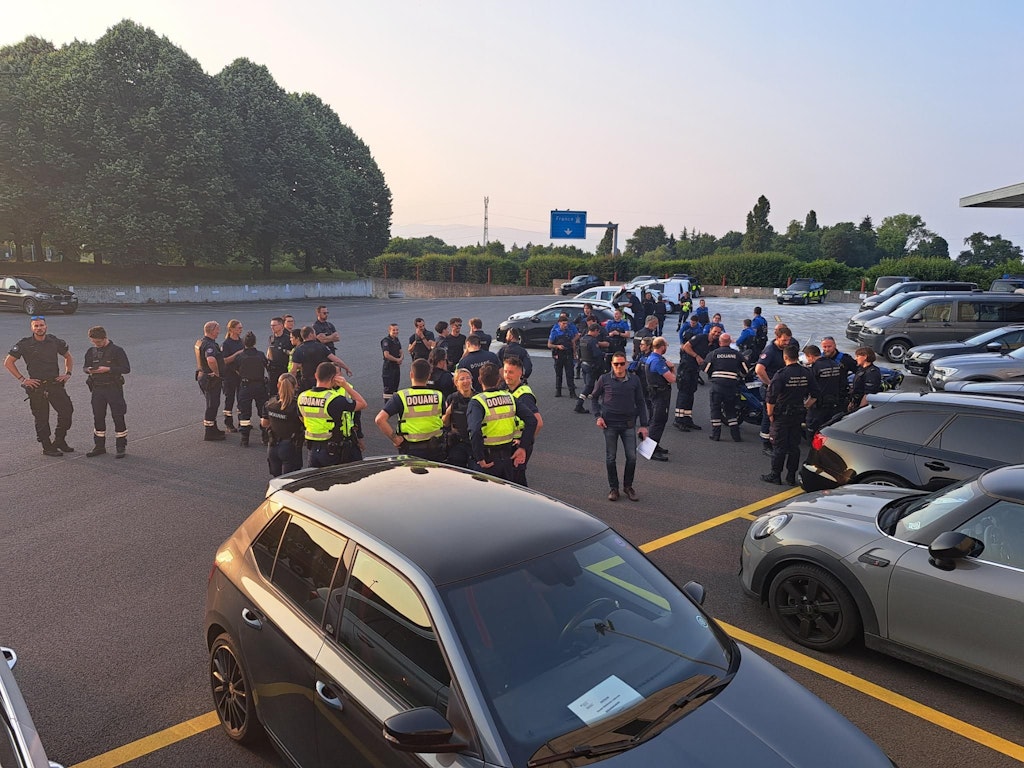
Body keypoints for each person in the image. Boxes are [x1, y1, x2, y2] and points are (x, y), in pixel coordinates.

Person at [5, 315, 74, 456]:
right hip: (37, 387)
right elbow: (8, 362)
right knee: (42, 418)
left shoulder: (54, 341)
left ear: (46, 326)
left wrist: (68, 373)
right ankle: (47, 446)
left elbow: (68, 356)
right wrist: (23, 379)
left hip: (54, 384)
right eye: (36, 326)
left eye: (41, 325)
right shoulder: (24, 344)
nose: (39, 328)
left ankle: (59, 440)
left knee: (67, 412)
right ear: (32, 328)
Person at [592, 351, 649, 502]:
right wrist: (598, 417)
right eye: (616, 364)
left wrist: (644, 425)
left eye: (622, 364)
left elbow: (641, 402)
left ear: (627, 364)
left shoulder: (634, 380)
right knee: (611, 458)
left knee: (632, 457)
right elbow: (594, 398)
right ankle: (614, 488)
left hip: (628, 424)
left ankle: (628, 486)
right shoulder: (604, 379)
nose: (619, 367)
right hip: (609, 425)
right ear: (611, 364)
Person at [467, 361, 536, 480]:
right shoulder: (509, 397)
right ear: (499, 379)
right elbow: (532, 420)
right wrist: (523, 447)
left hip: (488, 459)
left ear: (479, 379)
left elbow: (475, 430)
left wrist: (479, 458)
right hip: (507, 457)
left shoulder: (477, 401)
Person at [298, 361, 367, 468]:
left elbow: (301, 418)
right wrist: (345, 386)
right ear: (333, 378)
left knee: (316, 478)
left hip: (312, 449)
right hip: (332, 450)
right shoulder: (334, 399)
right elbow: (362, 404)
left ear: (316, 375)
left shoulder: (302, 396)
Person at [376, 358, 445, 461]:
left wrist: (395, 439)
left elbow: (380, 419)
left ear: (411, 374)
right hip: (436, 449)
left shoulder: (401, 396)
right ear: (429, 376)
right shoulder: (438, 395)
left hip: (411, 450)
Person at [762, 344, 808, 485]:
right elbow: (815, 394)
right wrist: (804, 406)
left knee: (779, 447)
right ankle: (791, 476)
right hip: (798, 414)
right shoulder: (806, 373)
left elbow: (771, 397)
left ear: (785, 357)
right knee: (794, 447)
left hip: (781, 416)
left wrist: (770, 414)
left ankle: (775, 475)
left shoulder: (781, 374)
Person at [82, 326, 130, 458]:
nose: (96, 344)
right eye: (93, 342)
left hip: (113, 388)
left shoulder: (117, 351)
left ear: (105, 338)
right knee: (98, 416)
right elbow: (85, 367)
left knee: (118, 416)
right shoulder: (91, 351)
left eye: (98, 342)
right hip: (97, 389)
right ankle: (99, 446)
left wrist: (108, 369)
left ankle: (120, 446)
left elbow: (126, 368)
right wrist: (89, 370)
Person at [503, 356, 543, 487]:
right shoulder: (506, 389)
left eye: (511, 372)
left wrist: (524, 445)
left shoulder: (524, 396)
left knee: (517, 482)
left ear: (520, 373)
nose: (507, 375)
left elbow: (538, 422)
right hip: (512, 443)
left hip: (519, 445)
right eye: (505, 371)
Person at [754, 324, 793, 455]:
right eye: (784, 340)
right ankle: (766, 444)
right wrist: (770, 384)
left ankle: (778, 441)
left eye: (788, 340)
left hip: (782, 389)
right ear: (777, 337)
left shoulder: (785, 349)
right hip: (770, 389)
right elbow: (759, 369)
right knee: (769, 416)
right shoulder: (770, 351)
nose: (787, 343)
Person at [676, 324, 723, 432]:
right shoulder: (700, 338)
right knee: (683, 394)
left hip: (695, 371)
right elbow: (686, 347)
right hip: (686, 368)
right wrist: (696, 356)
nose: (716, 334)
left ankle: (687, 419)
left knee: (691, 394)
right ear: (710, 330)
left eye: (718, 332)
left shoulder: (715, 344)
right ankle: (678, 420)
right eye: (715, 331)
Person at [704, 332, 748, 442]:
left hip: (717, 386)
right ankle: (736, 436)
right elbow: (745, 370)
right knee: (731, 410)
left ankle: (716, 435)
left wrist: (713, 374)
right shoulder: (737, 354)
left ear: (719, 342)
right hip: (731, 386)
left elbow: (705, 368)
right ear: (730, 342)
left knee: (715, 409)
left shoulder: (714, 353)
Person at [262, 372, 304, 476]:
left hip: (273, 445)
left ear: (278, 385)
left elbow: (264, 423)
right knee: (290, 479)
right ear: (296, 386)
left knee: (276, 479)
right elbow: (305, 423)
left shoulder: (270, 403)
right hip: (291, 447)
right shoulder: (296, 406)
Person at [291, 326, 351, 393]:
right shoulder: (321, 347)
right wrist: (346, 368)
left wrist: (293, 384)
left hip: (306, 382)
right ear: (311, 334)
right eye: (314, 333)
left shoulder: (298, 350)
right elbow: (336, 360)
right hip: (321, 380)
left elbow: (293, 370)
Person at [803, 344, 846, 435]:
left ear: (810, 356)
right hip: (834, 404)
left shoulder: (815, 367)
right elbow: (842, 383)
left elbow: (811, 387)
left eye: (807, 358)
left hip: (818, 406)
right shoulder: (835, 364)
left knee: (812, 432)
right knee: (827, 432)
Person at [236, 331, 269, 447]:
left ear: (244, 343)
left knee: (244, 413)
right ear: (254, 342)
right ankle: (265, 437)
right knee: (263, 412)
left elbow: (236, 369)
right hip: (260, 386)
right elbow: (267, 365)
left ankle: (244, 439)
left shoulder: (240, 356)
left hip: (245, 386)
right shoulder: (260, 355)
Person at [195, 320, 225, 441]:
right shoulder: (209, 345)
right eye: (217, 329)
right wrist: (217, 373)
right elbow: (211, 360)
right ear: (212, 331)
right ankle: (209, 432)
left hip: (202, 375)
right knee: (212, 404)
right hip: (210, 379)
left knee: (211, 403)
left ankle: (213, 427)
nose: (219, 332)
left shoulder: (201, 342)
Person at [645, 336, 674, 460]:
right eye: (666, 346)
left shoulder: (651, 357)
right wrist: (672, 368)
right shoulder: (658, 361)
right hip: (660, 394)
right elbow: (671, 379)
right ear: (662, 347)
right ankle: (650, 450)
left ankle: (654, 445)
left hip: (655, 392)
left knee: (658, 420)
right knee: (658, 421)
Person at [442, 368, 475, 468]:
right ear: (456, 383)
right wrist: (448, 412)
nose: (466, 381)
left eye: (468, 378)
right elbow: (445, 423)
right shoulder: (452, 398)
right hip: (458, 444)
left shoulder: (478, 398)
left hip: (474, 443)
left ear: (472, 380)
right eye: (462, 379)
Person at [575, 322, 608, 414]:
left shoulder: (582, 339)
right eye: (598, 332)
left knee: (589, 385)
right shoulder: (593, 341)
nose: (598, 334)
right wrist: (604, 354)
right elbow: (596, 354)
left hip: (584, 364)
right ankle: (579, 405)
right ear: (595, 331)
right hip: (593, 366)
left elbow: (579, 352)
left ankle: (598, 403)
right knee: (590, 386)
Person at [220, 319, 244, 433]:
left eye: (241, 328)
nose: (241, 330)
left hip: (240, 375)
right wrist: (237, 354)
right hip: (229, 376)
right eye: (239, 328)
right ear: (231, 329)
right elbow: (224, 360)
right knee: (229, 399)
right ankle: (228, 423)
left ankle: (242, 421)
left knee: (241, 399)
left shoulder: (242, 342)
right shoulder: (226, 344)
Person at [547, 313, 578, 398]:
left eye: (566, 323)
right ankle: (558, 390)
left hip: (568, 354)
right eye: (563, 323)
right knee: (559, 374)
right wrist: (557, 346)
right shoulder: (555, 332)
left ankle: (572, 392)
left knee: (570, 374)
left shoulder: (569, 331)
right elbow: (549, 344)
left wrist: (574, 353)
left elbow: (573, 342)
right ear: (559, 323)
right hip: (559, 355)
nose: (565, 325)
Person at [849, 346, 883, 412]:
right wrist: (852, 402)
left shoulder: (872, 372)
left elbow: (868, 393)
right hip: (856, 402)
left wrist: (860, 410)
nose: (855, 358)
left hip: (864, 406)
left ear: (865, 357)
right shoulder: (861, 369)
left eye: (857, 356)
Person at [267, 316, 293, 390]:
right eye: (271, 325)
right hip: (272, 370)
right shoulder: (271, 338)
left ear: (281, 326)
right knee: (272, 390)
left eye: (274, 325)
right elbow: (269, 350)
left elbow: (293, 353)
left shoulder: (288, 338)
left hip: (283, 369)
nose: (272, 327)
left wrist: (285, 351)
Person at [380, 322, 403, 403]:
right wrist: (397, 360)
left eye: (397, 330)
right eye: (394, 330)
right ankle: (387, 405)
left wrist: (401, 358)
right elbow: (386, 355)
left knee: (395, 387)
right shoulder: (386, 341)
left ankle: (394, 405)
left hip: (396, 367)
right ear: (389, 330)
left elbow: (401, 351)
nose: (396, 332)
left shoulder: (396, 340)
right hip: (388, 367)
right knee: (388, 389)